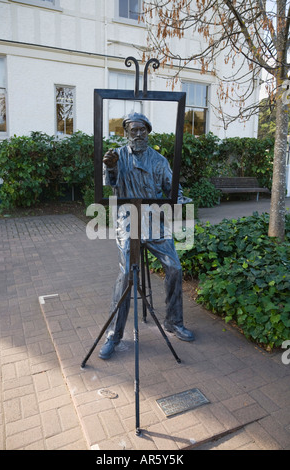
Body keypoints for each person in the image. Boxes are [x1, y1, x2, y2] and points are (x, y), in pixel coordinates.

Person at [99, 112, 195, 360]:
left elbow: (173, 187)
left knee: (174, 266)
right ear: (126, 132)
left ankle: (173, 321)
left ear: (148, 132)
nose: (138, 134)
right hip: (129, 220)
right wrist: (110, 167)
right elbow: (111, 185)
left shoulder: (159, 160)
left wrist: (179, 199)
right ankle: (114, 334)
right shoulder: (116, 156)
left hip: (154, 221)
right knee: (126, 273)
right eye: (134, 130)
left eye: (143, 130)